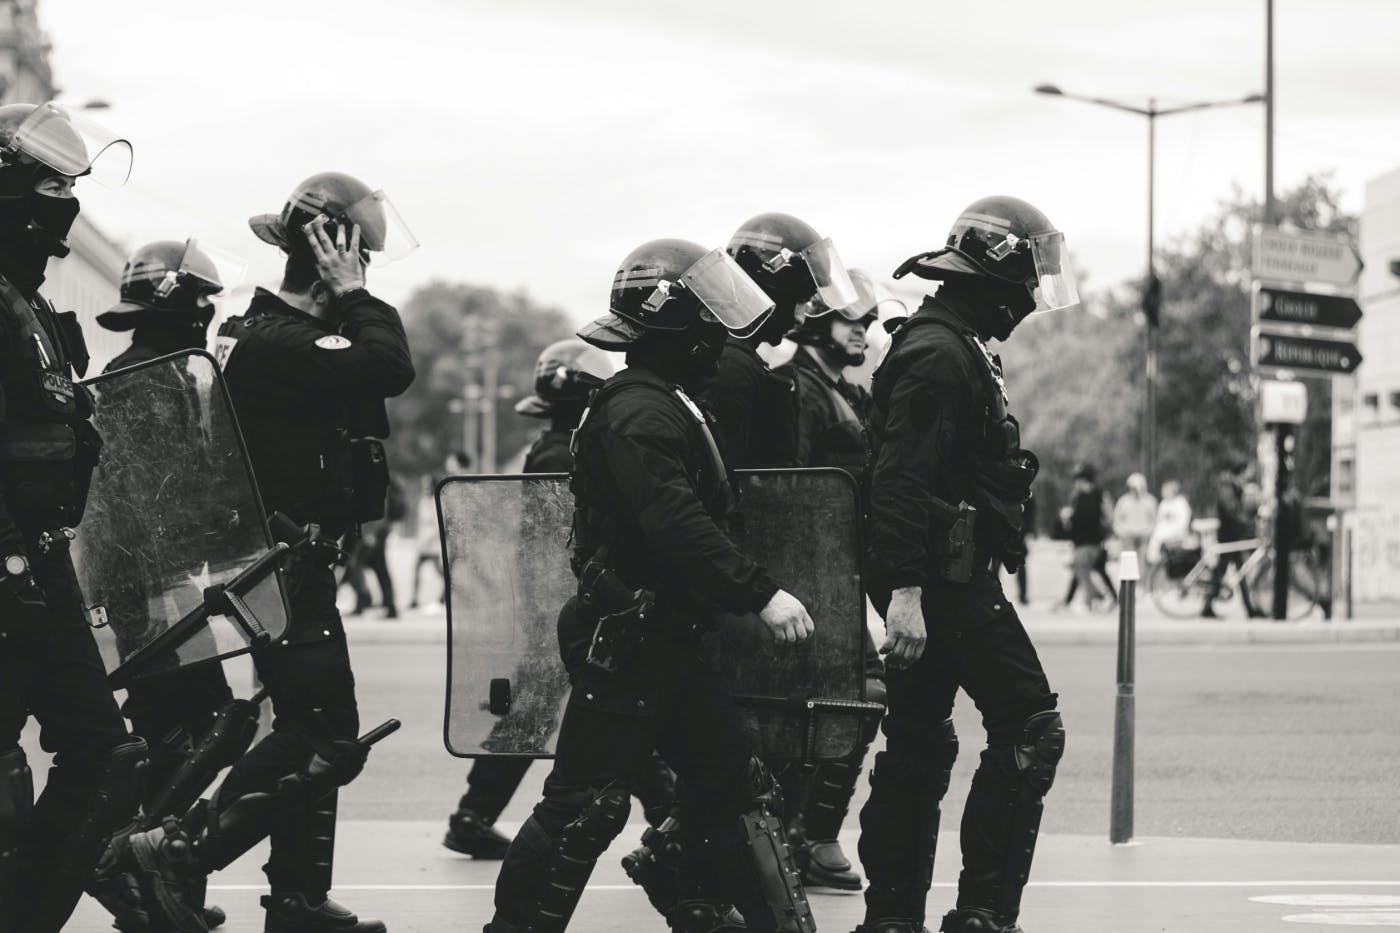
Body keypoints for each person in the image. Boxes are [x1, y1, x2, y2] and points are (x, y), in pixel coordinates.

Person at [486, 238, 818, 933]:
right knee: (584, 804)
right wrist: (758, 592)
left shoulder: (663, 401)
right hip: (632, 635)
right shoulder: (641, 410)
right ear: (678, 321)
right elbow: (676, 521)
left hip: (667, 632)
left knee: (730, 784)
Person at [122, 171, 417, 933]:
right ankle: (177, 852)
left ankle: (296, 897)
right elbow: (390, 365)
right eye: (360, 262)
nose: (367, 280)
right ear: (331, 257)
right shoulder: (280, 340)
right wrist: (352, 292)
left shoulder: (282, 339)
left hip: (296, 561)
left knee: (313, 722)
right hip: (281, 566)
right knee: (324, 731)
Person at [858, 196, 1071, 933]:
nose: (1030, 299)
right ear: (997, 275)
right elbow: (899, 479)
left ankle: (891, 918)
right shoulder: (939, 353)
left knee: (918, 745)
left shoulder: (952, 341)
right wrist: (907, 593)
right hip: (944, 585)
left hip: (942, 579)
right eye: (1026, 280)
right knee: (1030, 724)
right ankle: (982, 914)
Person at [0, 100, 149, 933]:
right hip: (9, 565)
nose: (63, 204)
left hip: (41, 561)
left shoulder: (26, 302)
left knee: (106, 754)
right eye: (49, 183)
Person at [87, 238, 243, 932]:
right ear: (173, 303)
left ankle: (154, 885)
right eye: (201, 299)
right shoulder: (141, 379)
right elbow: (145, 496)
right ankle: (119, 859)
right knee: (202, 724)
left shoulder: (167, 371)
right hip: (148, 583)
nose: (209, 311)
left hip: (164, 576)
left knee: (179, 725)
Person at [442, 338, 625, 858]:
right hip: (564, 599)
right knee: (612, 702)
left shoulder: (556, 445)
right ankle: (668, 819)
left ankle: (472, 816)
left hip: (555, 598)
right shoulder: (564, 449)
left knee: (533, 710)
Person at [771, 267, 885, 891]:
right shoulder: (797, 388)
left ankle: (809, 833)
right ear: (818, 322)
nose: (863, 332)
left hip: (839, 567)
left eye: (867, 323)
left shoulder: (843, 389)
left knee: (854, 697)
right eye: (852, 322)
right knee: (852, 695)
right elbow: (788, 485)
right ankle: (801, 834)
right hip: (809, 572)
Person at [705, 211, 860, 467]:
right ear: (772, 288)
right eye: (800, 300)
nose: (800, 319)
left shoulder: (735, 357)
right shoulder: (732, 365)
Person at [409, 450, 468, 609]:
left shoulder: (459, 484)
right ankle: (442, 597)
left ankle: (456, 595)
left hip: (449, 538)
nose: (447, 464)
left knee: (449, 570)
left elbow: (445, 518)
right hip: (440, 539)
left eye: (450, 461)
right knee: (447, 569)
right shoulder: (448, 486)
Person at [1202, 460, 1262, 619]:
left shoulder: (1231, 486)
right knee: (1224, 571)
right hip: (1229, 535)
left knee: (1238, 572)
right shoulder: (1228, 487)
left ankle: (1248, 608)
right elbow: (1231, 511)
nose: (1249, 476)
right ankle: (1209, 605)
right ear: (1241, 472)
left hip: (1233, 535)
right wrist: (1247, 523)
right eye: (1248, 472)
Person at [1064, 464, 1114, 611]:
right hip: (1079, 540)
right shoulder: (1076, 495)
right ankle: (1098, 597)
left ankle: (1092, 600)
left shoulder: (1099, 494)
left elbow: (1109, 516)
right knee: (1082, 570)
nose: (1076, 483)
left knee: (1081, 570)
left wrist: (1106, 532)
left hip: (1092, 539)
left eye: (1078, 479)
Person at [1112, 472, 1157, 565]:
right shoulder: (1123, 501)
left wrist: (1149, 532)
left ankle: (1142, 579)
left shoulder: (1150, 500)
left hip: (1144, 537)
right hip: (1128, 537)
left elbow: (1155, 519)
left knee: (1142, 562)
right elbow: (1116, 519)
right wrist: (1122, 532)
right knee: (1129, 563)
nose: (1136, 490)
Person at [1147, 480, 1192, 568]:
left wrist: (1177, 530)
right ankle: (1153, 557)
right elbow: (1159, 520)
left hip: (1178, 530)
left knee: (1159, 534)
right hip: (1165, 530)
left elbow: (1184, 520)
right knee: (1157, 532)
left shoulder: (1181, 502)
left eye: (1166, 491)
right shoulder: (1163, 504)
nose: (1164, 493)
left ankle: (1154, 556)